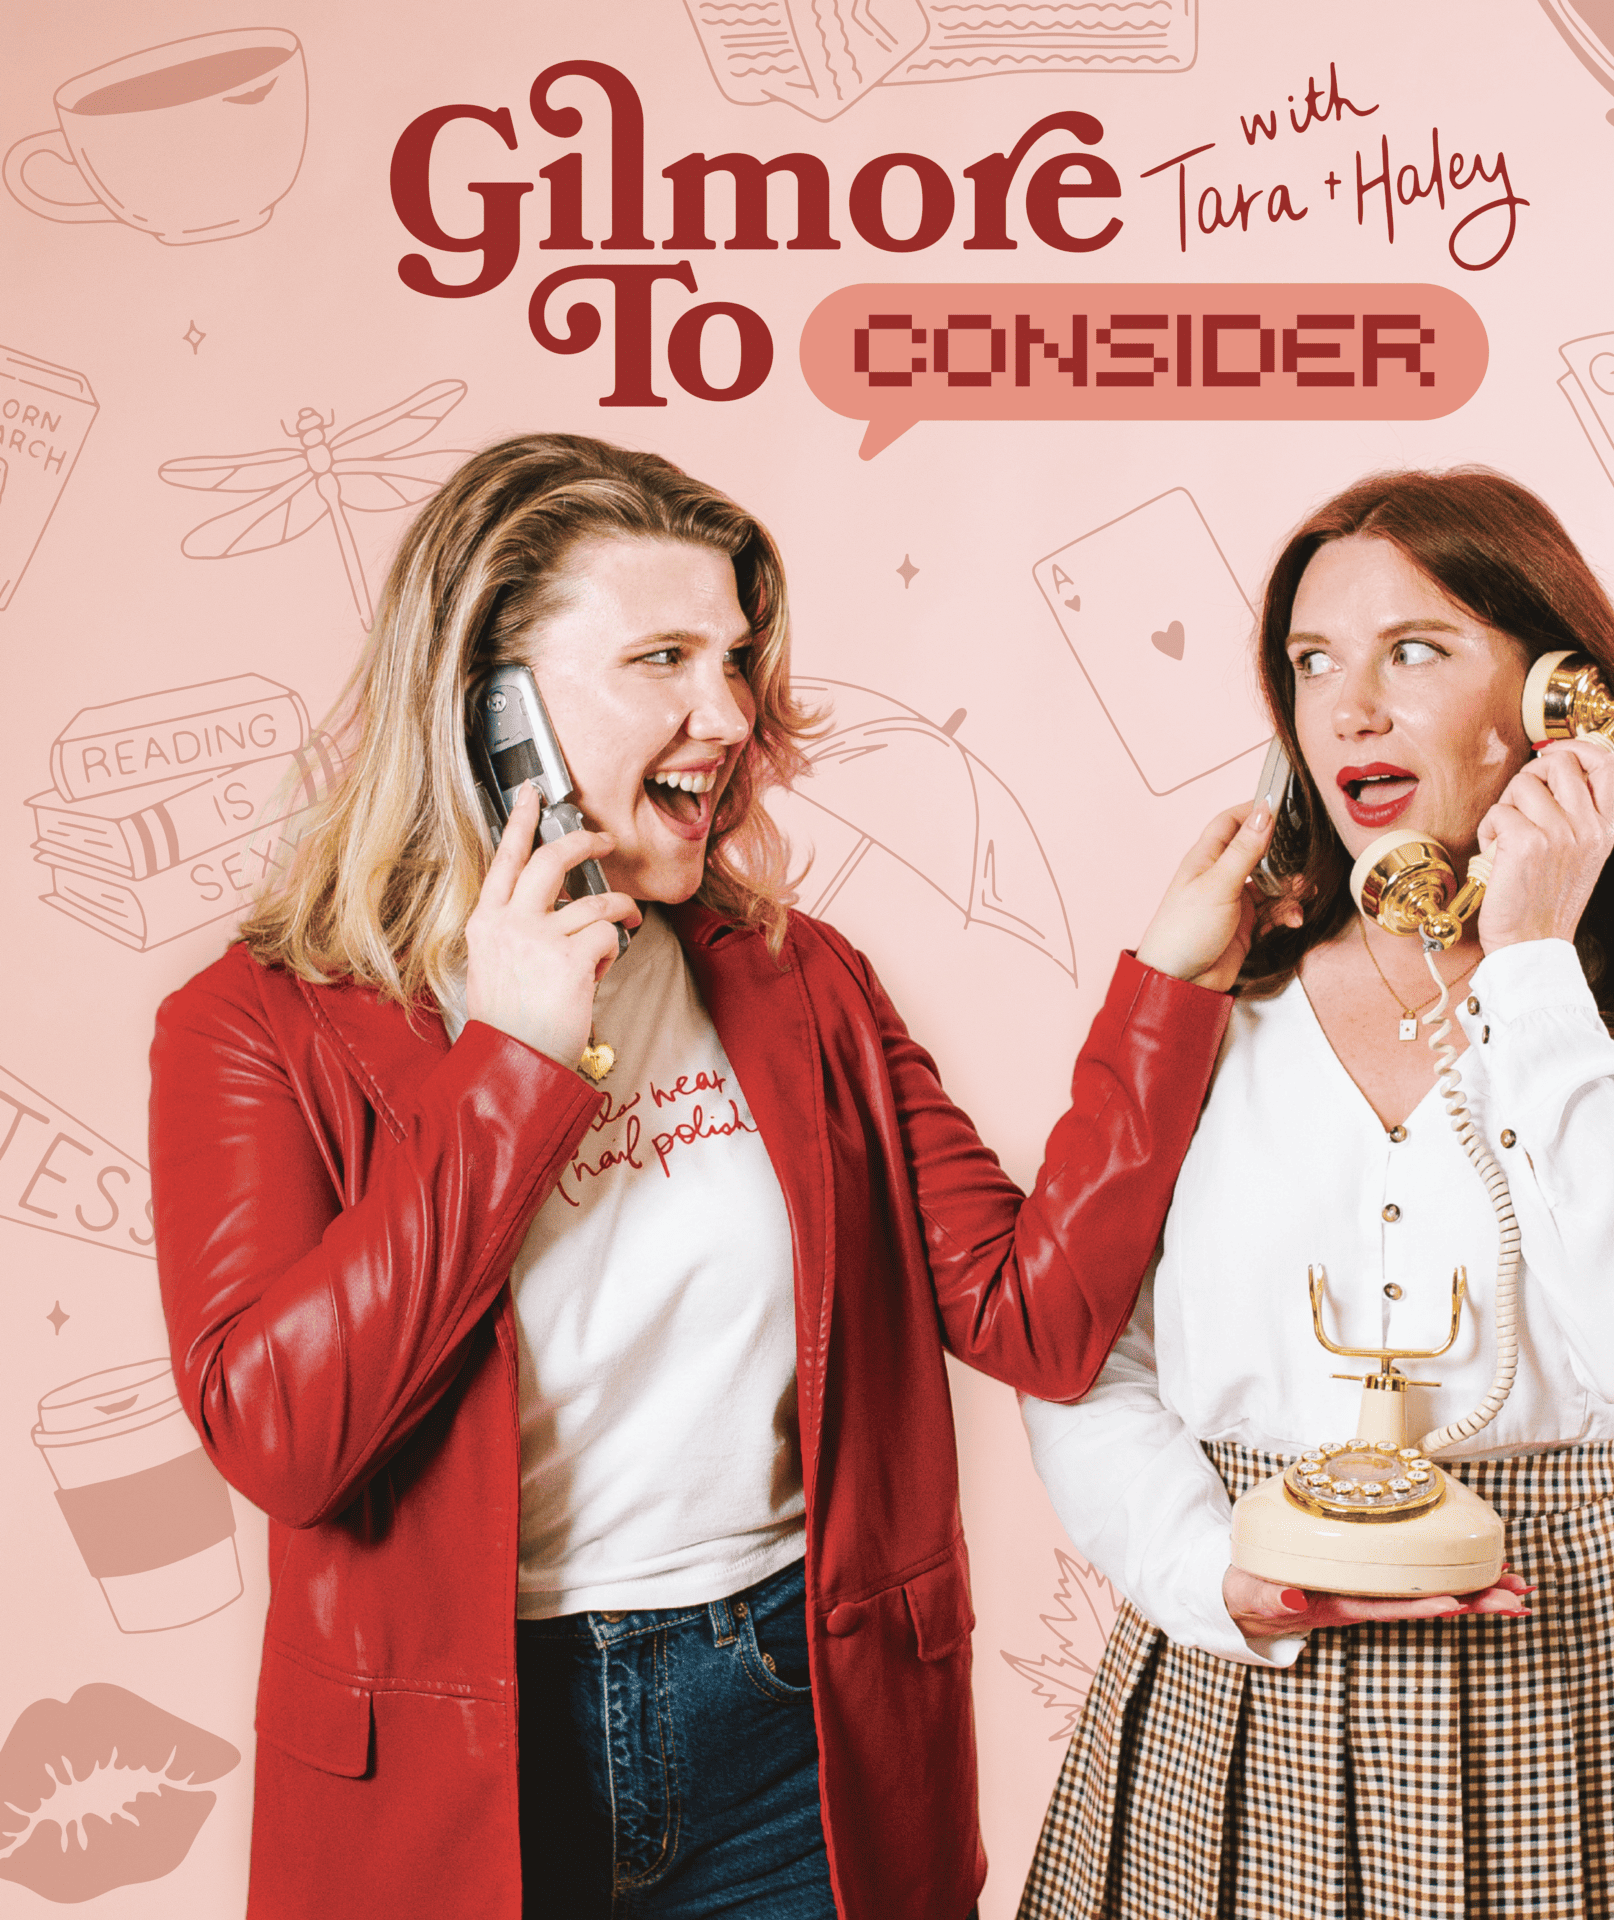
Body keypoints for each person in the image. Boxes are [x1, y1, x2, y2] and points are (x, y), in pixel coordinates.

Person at [147, 434, 1274, 1920]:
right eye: (661, 658)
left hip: (792, 1740)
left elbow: (1033, 1316)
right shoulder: (255, 1026)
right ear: (490, 706)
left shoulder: (800, 985)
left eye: (735, 658)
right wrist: (512, 1065)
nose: (728, 712)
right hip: (458, 1770)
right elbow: (284, 1437)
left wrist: (1170, 986)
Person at [1018, 468, 1614, 1920]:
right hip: (1240, 1667)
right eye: (1313, 665)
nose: (1346, 712)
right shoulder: (1215, 988)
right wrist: (1204, 1572)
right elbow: (1076, 1348)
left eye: (1412, 652)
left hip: (1565, 1664)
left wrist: (1539, 965)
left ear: (1559, 697)